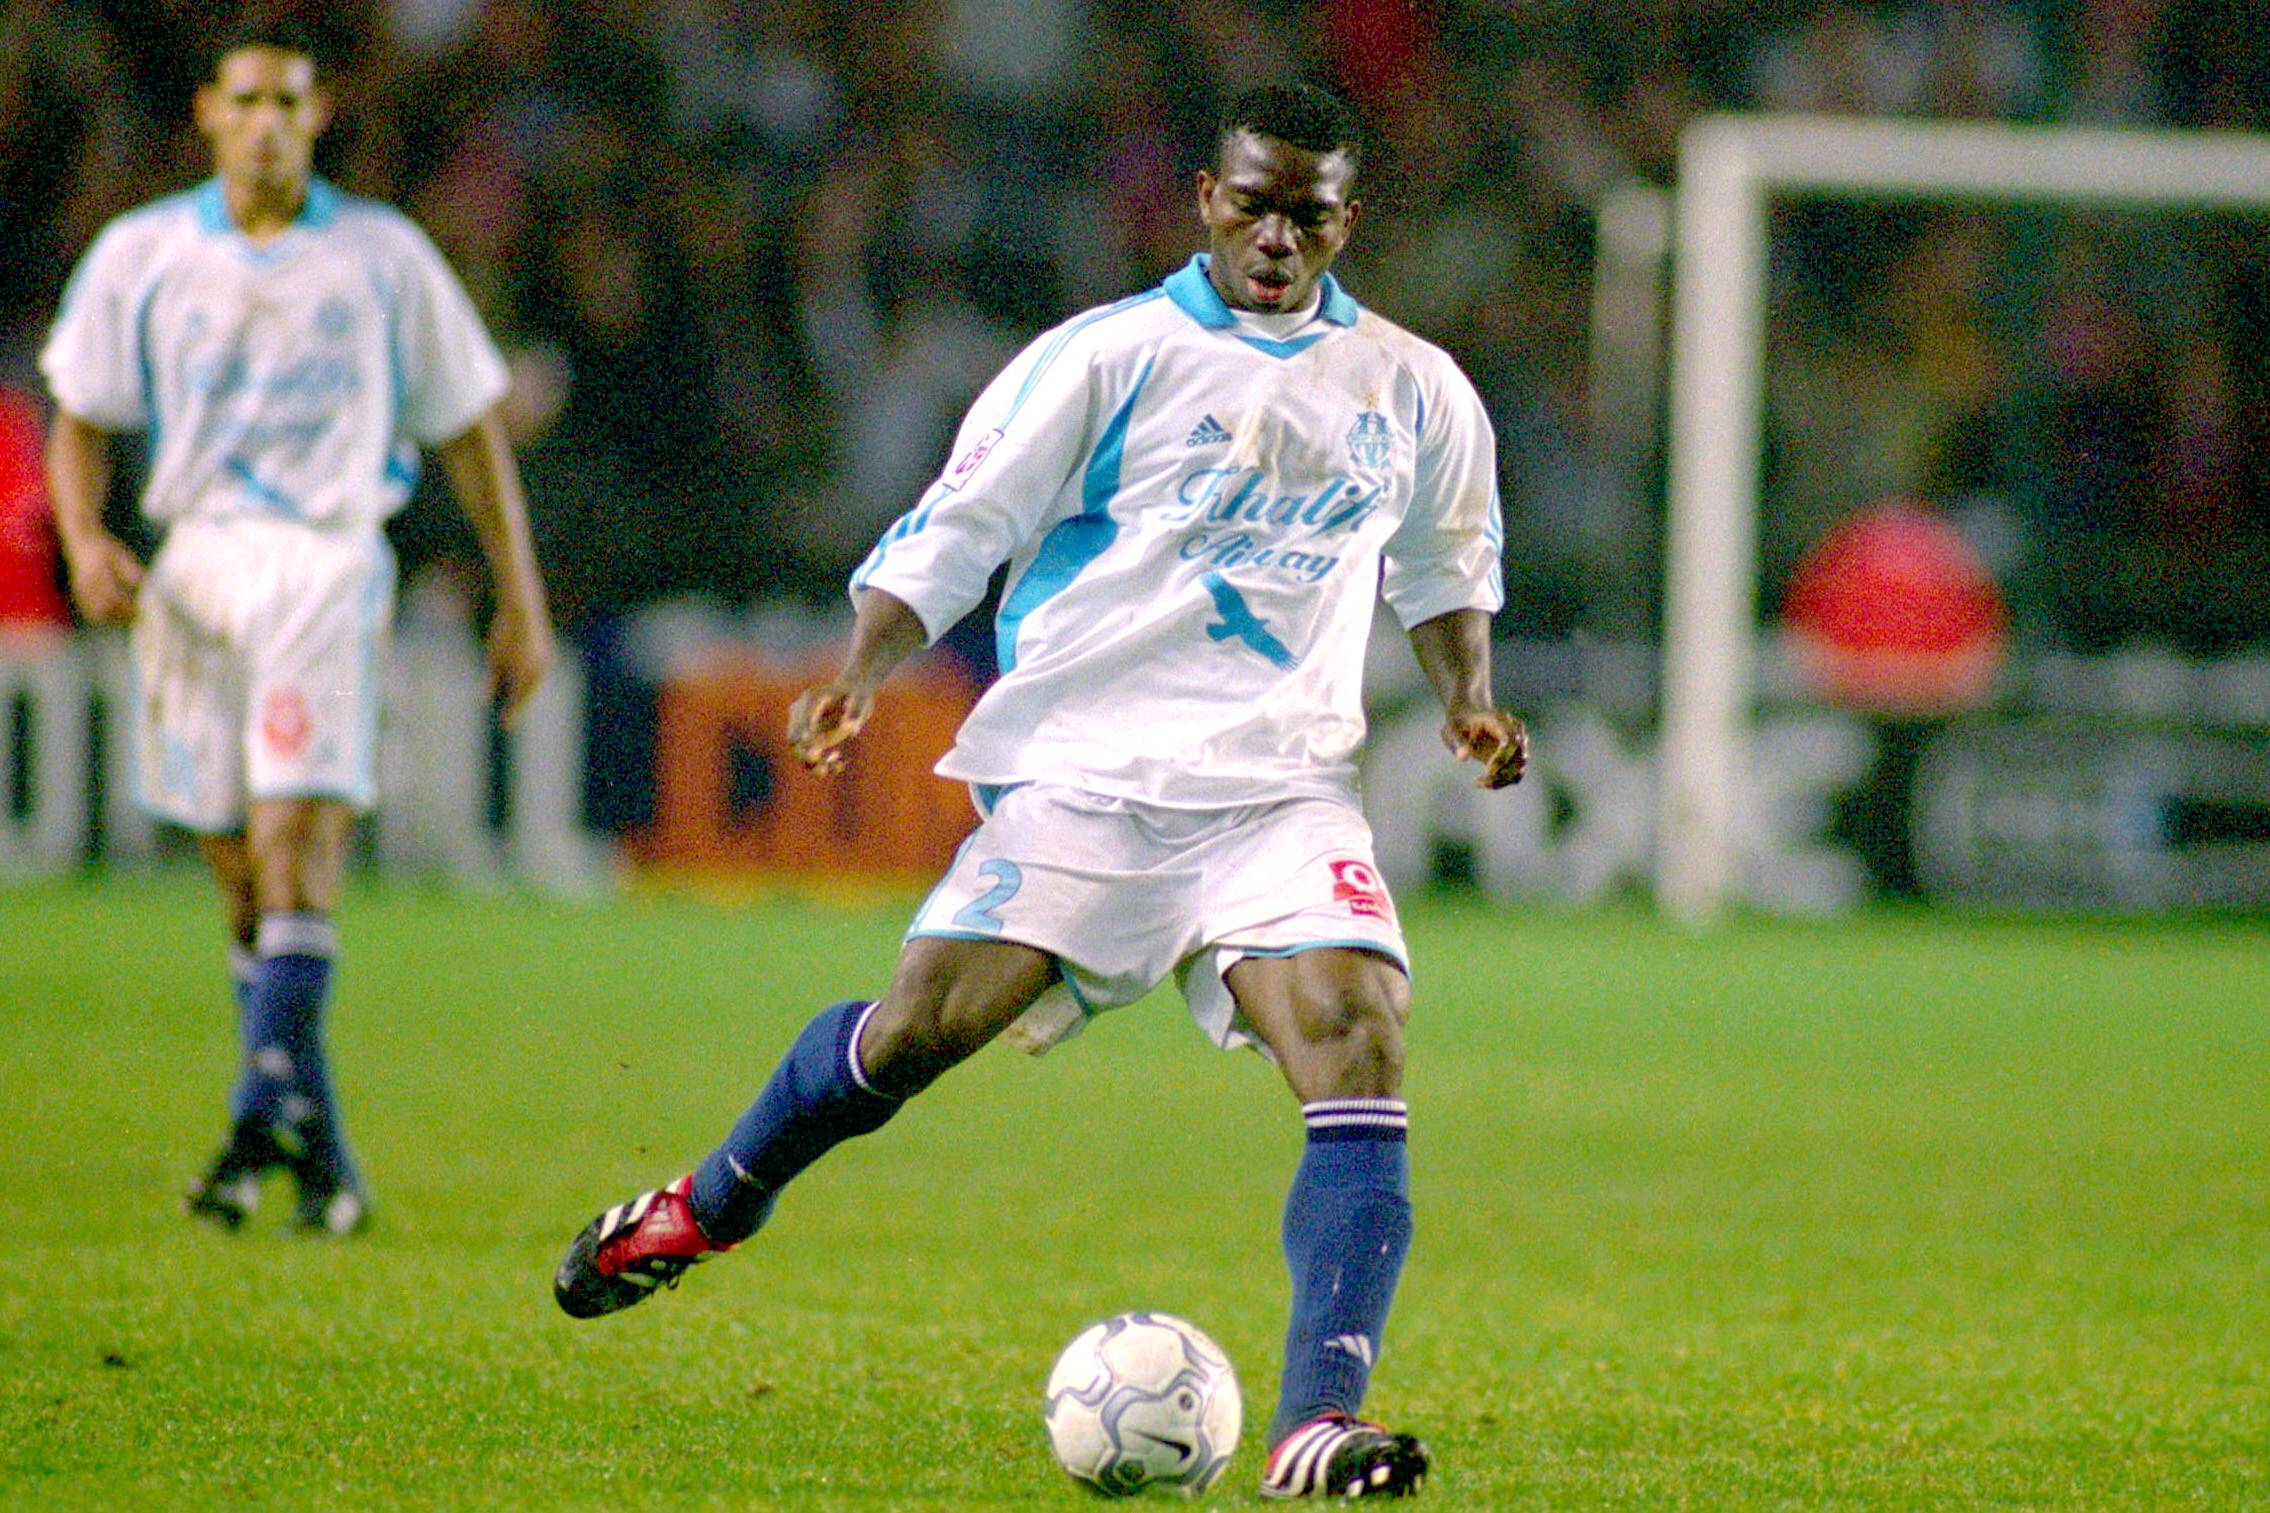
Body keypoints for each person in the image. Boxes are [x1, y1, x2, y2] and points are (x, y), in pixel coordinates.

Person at [555, 81, 1523, 1500]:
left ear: (1344, 220)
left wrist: (1467, 704)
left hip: (1277, 792)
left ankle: (1313, 1422)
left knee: (1359, 1038)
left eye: (1304, 213)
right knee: (917, 1032)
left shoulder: (1413, 386)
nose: (1272, 235)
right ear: (1202, 195)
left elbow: (1445, 572)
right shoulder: (1101, 358)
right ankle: (701, 1208)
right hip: (1085, 779)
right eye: (1249, 202)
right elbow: (964, 525)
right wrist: (861, 666)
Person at [42, 22, 553, 1236]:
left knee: (292, 845)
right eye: (247, 100)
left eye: (289, 100)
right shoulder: (142, 254)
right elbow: (81, 416)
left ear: (318, 116)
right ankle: (312, 1148)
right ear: (208, 115)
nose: (268, 120)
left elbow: (469, 427)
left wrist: (516, 592)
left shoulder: (381, 256)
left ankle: (243, 1129)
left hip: (326, 564)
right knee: (237, 884)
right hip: (196, 571)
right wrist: (84, 538)